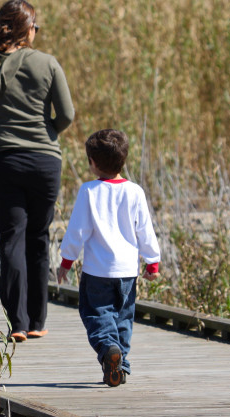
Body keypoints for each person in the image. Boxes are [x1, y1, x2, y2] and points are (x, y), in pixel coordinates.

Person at [0, 0, 75, 343]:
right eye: (35, 26)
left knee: (11, 237)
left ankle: (17, 323)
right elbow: (68, 114)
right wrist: (48, 132)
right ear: (26, 28)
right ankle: (39, 320)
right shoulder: (48, 63)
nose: (37, 32)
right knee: (38, 238)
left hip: (3, 159)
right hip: (45, 161)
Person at [56, 129, 161, 387]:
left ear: (93, 162)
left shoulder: (89, 191)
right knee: (123, 318)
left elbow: (78, 230)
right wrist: (152, 262)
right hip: (127, 271)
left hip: (98, 271)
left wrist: (66, 262)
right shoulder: (135, 191)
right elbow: (144, 229)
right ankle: (119, 364)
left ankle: (108, 350)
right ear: (123, 160)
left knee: (96, 313)